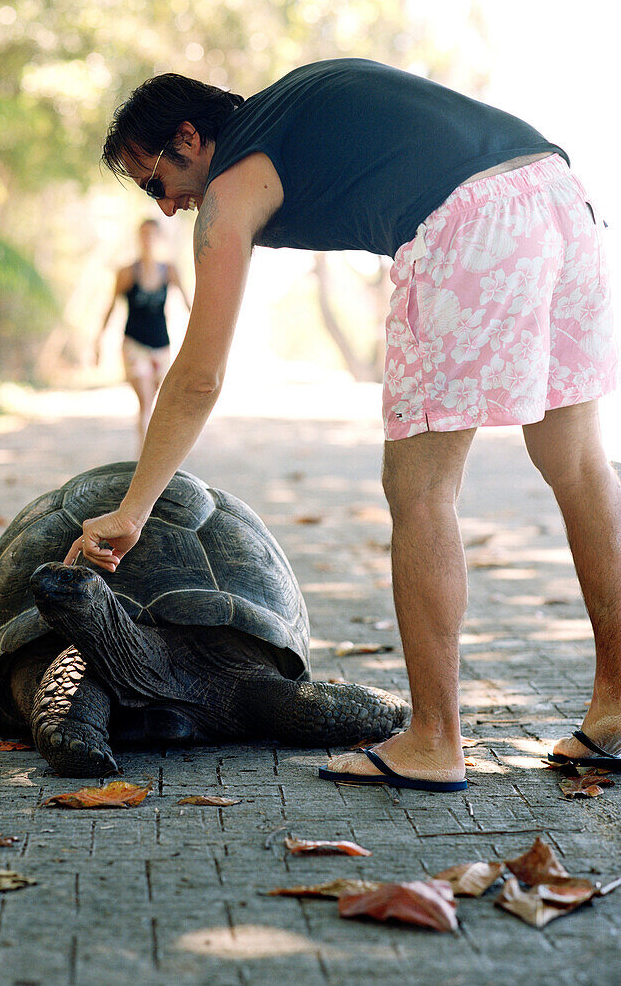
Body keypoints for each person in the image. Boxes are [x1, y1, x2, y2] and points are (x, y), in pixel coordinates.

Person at [67, 58, 621, 792]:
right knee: (579, 465)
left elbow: (197, 375)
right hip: (558, 194)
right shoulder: (288, 111)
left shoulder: (229, 187)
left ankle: (432, 740)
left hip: (471, 221)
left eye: (153, 183)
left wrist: (133, 508)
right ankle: (615, 709)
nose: (165, 207)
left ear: (189, 138)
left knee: (418, 487)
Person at [95, 218, 191, 450]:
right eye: (143, 234)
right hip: (134, 345)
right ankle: (145, 456)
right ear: (138, 238)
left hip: (161, 346)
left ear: (159, 238)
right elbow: (111, 306)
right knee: (146, 402)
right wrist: (97, 341)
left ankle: (154, 452)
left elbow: (189, 305)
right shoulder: (127, 273)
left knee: (160, 404)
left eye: (151, 234)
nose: (147, 239)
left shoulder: (169, 271)